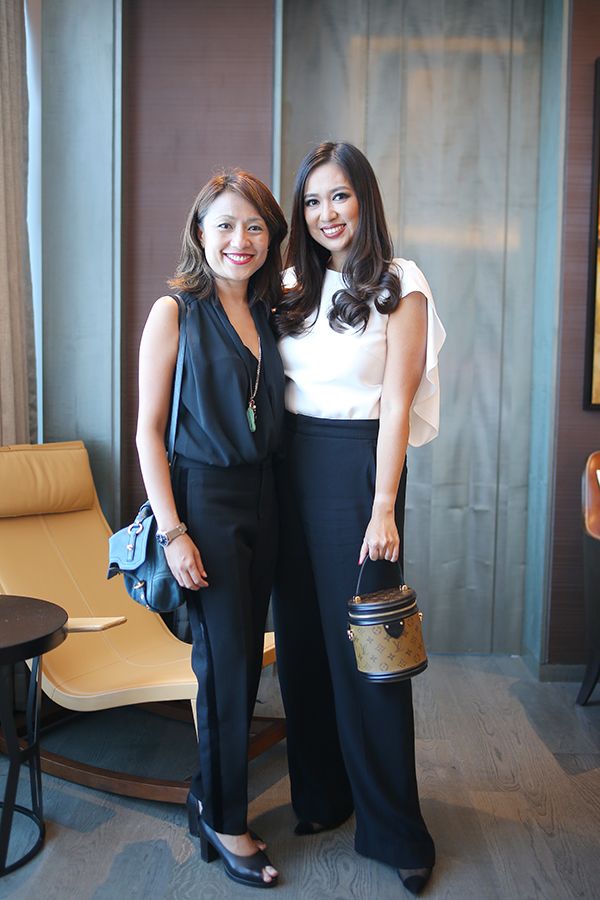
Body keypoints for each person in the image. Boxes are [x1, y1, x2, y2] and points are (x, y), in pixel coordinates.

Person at [272, 142, 446, 896]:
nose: (325, 214)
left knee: (373, 654)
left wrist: (383, 506)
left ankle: (395, 829)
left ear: (364, 200)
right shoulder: (290, 284)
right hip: (288, 468)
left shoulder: (400, 284)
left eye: (338, 197)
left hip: (360, 469)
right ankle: (322, 796)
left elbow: (398, 405)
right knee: (305, 645)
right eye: (312, 202)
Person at [136, 170, 287, 889]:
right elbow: (146, 433)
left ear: (271, 238)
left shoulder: (272, 310)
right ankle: (228, 820)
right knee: (223, 672)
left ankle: (207, 796)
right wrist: (173, 532)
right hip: (205, 504)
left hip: (268, 499)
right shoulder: (175, 311)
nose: (240, 240)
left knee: (242, 666)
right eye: (225, 225)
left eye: (254, 227)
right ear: (200, 230)